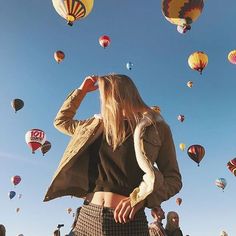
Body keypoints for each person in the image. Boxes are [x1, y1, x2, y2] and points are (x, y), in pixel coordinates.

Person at [44, 74, 182, 235]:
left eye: (104, 94)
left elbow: (173, 179)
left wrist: (142, 200)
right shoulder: (94, 126)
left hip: (128, 222)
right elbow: (61, 121)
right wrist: (81, 92)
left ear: (117, 94)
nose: (102, 101)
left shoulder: (156, 127)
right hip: (87, 217)